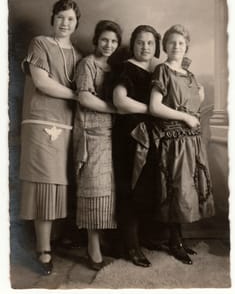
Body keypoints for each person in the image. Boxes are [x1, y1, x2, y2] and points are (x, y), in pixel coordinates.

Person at [19, 0, 82, 275]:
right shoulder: (40, 43)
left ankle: (54, 239)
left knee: (59, 185)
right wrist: (77, 95)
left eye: (70, 19)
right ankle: (43, 251)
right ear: (52, 18)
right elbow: (42, 82)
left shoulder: (79, 56)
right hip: (41, 121)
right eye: (60, 17)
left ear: (76, 23)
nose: (64, 22)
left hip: (68, 125)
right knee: (44, 184)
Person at [148, 24, 215, 265]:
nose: (177, 46)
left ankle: (179, 239)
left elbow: (194, 105)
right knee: (177, 189)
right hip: (173, 141)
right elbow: (155, 107)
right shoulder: (162, 71)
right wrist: (186, 117)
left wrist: (201, 95)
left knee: (189, 188)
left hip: (192, 141)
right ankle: (174, 241)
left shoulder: (190, 75)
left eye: (181, 43)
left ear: (187, 46)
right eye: (172, 42)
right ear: (165, 46)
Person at [73, 20, 122, 270]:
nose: (109, 45)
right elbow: (84, 96)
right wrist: (116, 109)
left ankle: (101, 240)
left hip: (111, 133)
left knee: (109, 190)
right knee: (94, 187)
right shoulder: (87, 64)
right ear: (96, 40)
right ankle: (92, 247)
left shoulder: (114, 67)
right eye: (104, 40)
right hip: (92, 132)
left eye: (114, 41)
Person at [112, 25, 161, 267]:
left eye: (150, 43)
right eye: (140, 42)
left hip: (150, 134)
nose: (145, 47)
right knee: (130, 188)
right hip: (130, 135)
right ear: (133, 44)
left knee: (146, 187)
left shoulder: (157, 70)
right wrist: (151, 109)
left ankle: (144, 238)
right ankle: (129, 245)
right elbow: (120, 102)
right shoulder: (126, 68)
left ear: (156, 46)